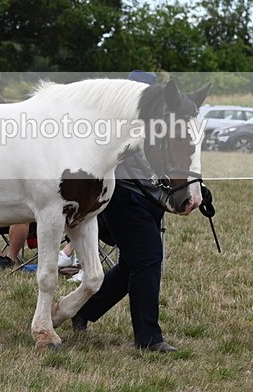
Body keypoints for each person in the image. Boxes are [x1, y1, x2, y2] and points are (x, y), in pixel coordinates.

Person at [71, 70, 179, 353]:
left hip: (152, 200)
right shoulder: (112, 125)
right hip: (124, 198)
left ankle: (83, 309)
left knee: (133, 263)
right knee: (148, 258)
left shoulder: (157, 125)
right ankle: (148, 338)